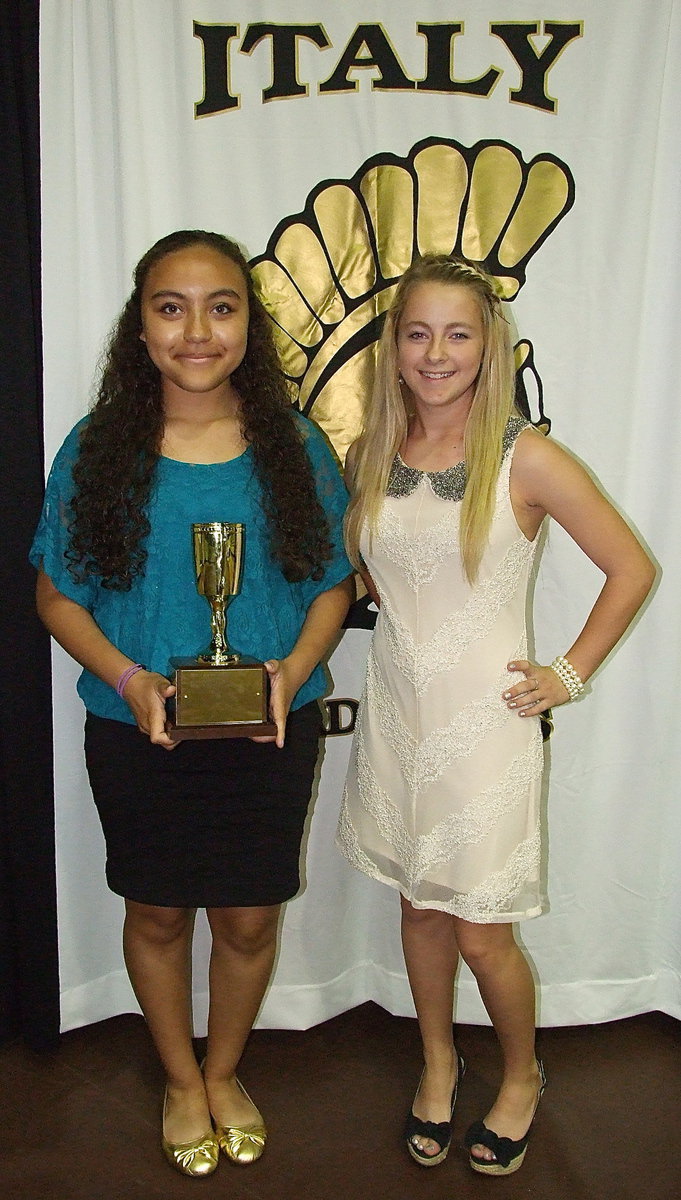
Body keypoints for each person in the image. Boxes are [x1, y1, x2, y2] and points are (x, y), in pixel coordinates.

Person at [31, 230, 354, 1178]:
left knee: (249, 919)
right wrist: (131, 682)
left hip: (270, 725)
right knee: (160, 913)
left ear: (249, 325)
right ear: (140, 327)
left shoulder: (294, 447)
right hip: (139, 730)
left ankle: (224, 1070)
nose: (197, 330)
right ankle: (179, 1079)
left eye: (221, 306)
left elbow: (332, 584)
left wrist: (290, 671)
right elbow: (57, 595)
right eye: (171, 307)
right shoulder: (97, 449)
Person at [338, 254, 655, 1177]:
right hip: (399, 715)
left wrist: (568, 672)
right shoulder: (370, 455)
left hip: (486, 725)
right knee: (417, 907)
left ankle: (521, 1075)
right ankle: (437, 1062)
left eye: (457, 332)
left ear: (489, 347)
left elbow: (630, 569)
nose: (436, 352)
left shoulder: (529, 455)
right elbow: (381, 579)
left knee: (482, 929)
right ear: (394, 346)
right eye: (417, 331)